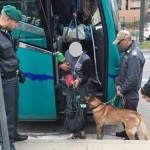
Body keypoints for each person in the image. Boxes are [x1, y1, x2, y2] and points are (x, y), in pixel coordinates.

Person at [0, 5, 28, 149]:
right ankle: (6, 142)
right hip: (4, 81)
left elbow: (10, 57)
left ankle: (12, 134)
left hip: (12, 78)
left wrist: (19, 71)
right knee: (5, 112)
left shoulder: (7, 33)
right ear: (8, 19)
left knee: (14, 109)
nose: (17, 25)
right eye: (16, 22)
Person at [113, 30, 145, 139]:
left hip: (130, 93)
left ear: (126, 40)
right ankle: (126, 131)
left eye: (119, 42)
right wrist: (118, 84)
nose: (118, 45)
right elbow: (122, 71)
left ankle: (131, 136)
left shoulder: (134, 55)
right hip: (124, 91)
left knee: (130, 117)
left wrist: (121, 90)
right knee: (124, 115)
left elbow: (132, 79)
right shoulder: (126, 52)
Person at [59, 39, 91, 139]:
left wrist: (79, 80)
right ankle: (72, 131)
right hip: (70, 88)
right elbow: (64, 69)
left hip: (81, 89)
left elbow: (88, 76)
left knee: (82, 108)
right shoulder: (67, 54)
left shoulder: (86, 59)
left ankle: (82, 130)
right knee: (70, 108)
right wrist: (61, 66)